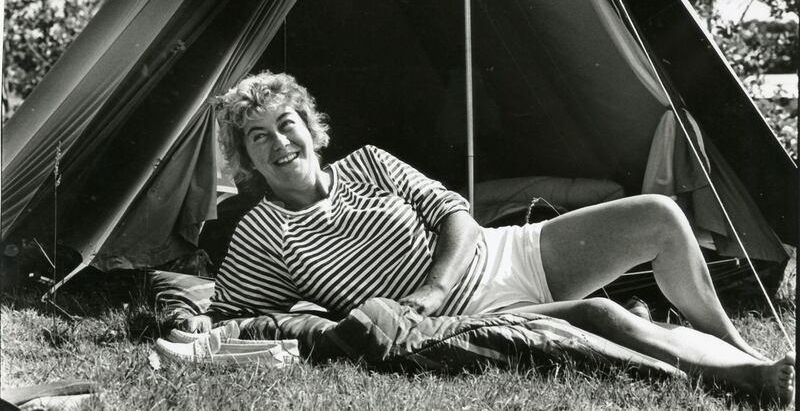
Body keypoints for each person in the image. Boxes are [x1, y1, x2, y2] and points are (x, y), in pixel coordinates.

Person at [182, 71, 794, 405]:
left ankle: (737, 346)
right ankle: (746, 381)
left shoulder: (368, 163)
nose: (279, 141)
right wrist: (189, 321)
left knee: (658, 214)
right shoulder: (263, 232)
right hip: (466, 320)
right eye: (257, 136)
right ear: (246, 159)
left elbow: (457, 215)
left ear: (311, 130)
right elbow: (234, 315)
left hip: (504, 254)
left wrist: (432, 286)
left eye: (285, 123)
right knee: (599, 314)